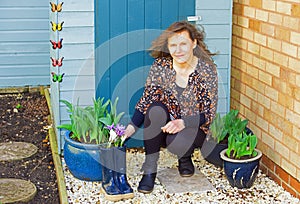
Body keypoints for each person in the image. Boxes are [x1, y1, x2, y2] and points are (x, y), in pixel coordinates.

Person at [124, 21, 218, 194]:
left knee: (176, 142)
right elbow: (146, 99)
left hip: (193, 127)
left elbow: (209, 113)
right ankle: (150, 168)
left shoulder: (206, 71)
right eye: (173, 45)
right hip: (165, 124)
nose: (178, 50)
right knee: (154, 109)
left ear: (194, 43)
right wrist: (130, 128)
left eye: (183, 43)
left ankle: (185, 158)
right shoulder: (161, 67)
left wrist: (183, 122)